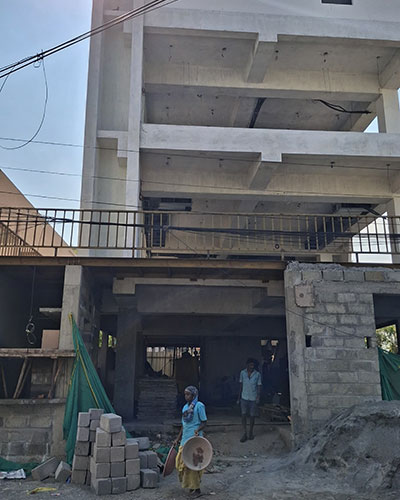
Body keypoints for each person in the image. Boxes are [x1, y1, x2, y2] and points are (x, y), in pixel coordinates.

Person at [173, 386, 207, 498]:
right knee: (180, 463)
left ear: (194, 395)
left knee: (192, 464)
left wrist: (198, 430)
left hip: (194, 440)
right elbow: (183, 425)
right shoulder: (185, 407)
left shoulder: (199, 406)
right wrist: (177, 439)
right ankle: (191, 486)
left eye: (188, 394)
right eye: (185, 394)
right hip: (184, 440)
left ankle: (197, 489)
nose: (186, 396)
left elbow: (204, 422)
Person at [237, 358, 262, 442]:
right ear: (247, 365)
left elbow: (259, 386)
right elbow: (240, 386)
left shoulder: (257, 374)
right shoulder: (242, 373)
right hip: (244, 397)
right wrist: (238, 398)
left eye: (253, 365)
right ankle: (245, 432)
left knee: (252, 416)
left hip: (253, 398)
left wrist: (258, 397)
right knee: (243, 415)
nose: (252, 367)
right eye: (250, 365)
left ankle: (250, 432)